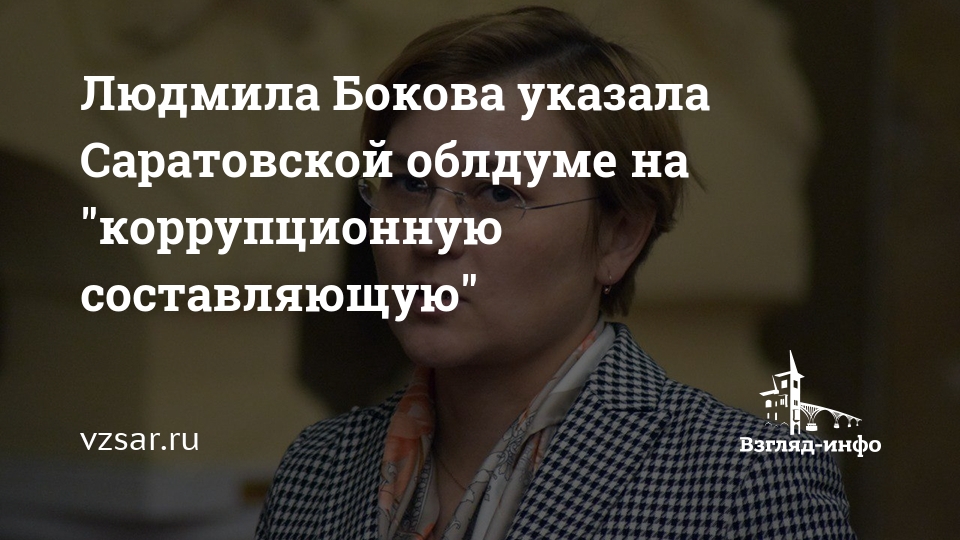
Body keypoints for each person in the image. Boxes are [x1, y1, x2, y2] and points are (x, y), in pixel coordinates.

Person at [256, 6, 856, 539]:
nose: (430, 234)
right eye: (409, 184)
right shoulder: (319, 470)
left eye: (498, 193)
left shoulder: (744, 483)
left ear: (619, 236)